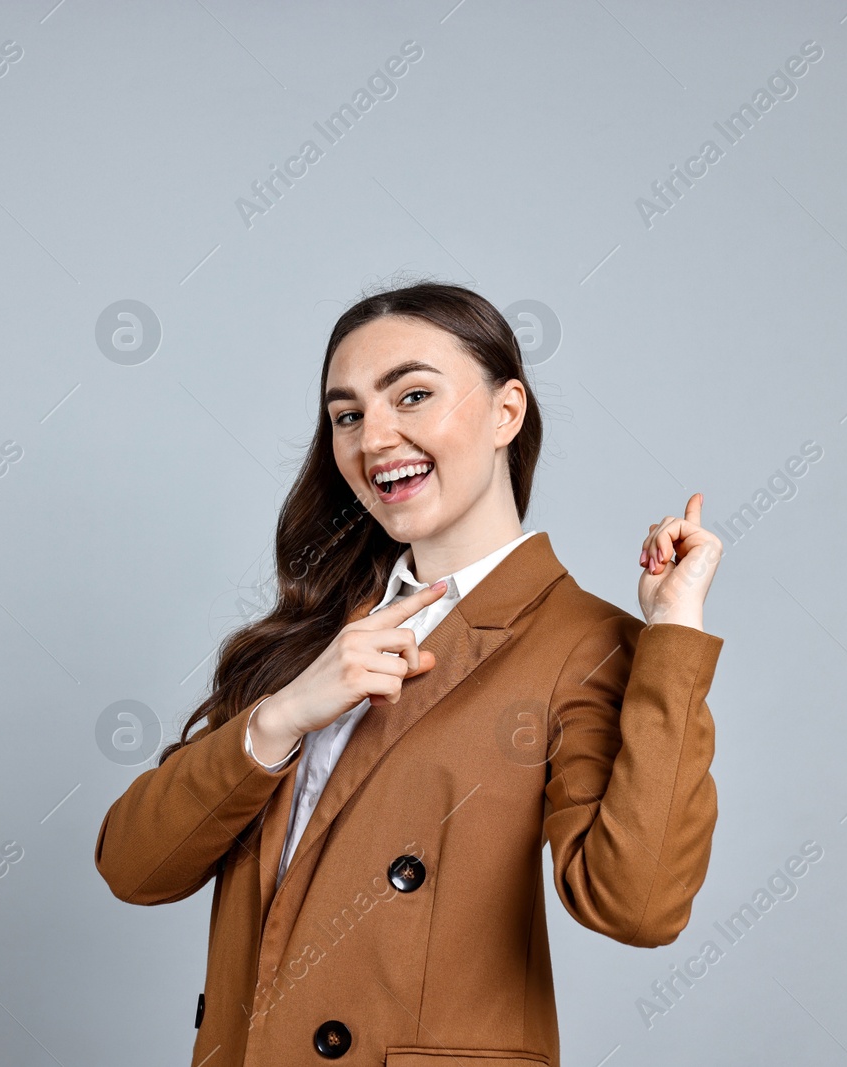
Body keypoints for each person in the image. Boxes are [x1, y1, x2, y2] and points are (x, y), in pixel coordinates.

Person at [95, 281, 725, 1067]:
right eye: (348, 415)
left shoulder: (584, 641)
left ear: (507, 411)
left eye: (414, 395)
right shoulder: (316, 635)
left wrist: (671, 634)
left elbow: (638, 906)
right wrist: (283, 717)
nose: (375, 437)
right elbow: (133, 865)